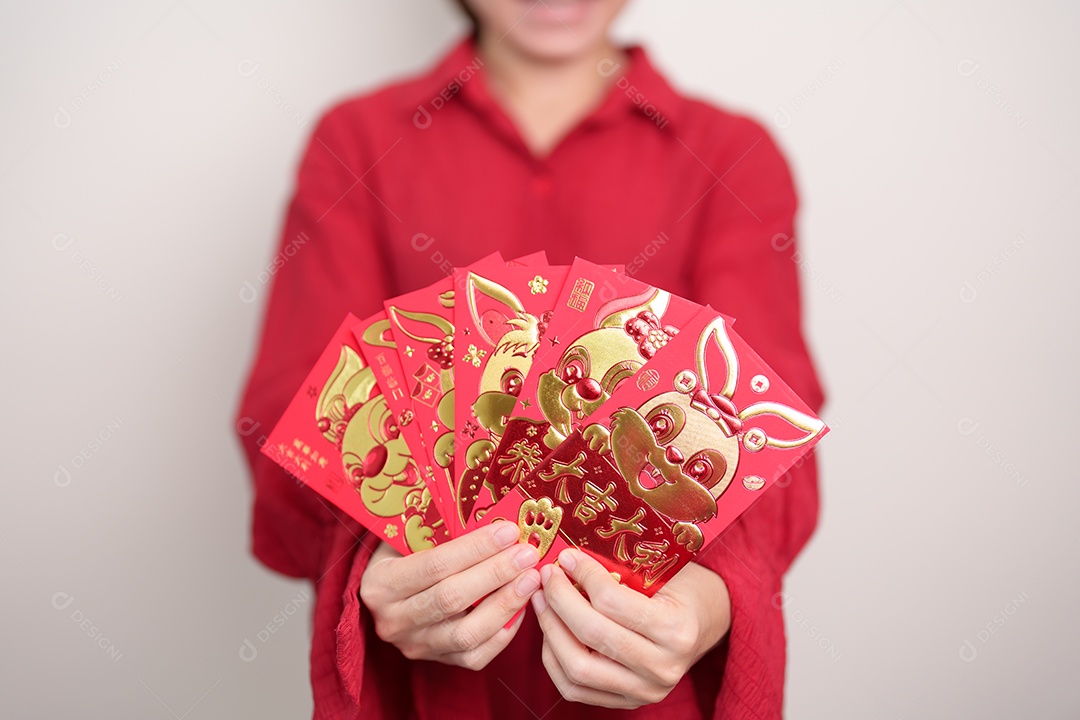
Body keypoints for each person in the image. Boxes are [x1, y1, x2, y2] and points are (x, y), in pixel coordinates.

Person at [236, 1, 825, 717]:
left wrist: (709, 600)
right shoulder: (356, 142)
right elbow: (295, 421)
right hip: (428, 696)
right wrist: (373, 560)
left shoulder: (732, 155)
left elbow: (773, 447)